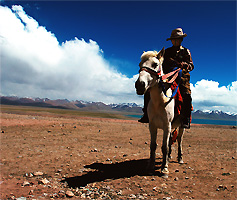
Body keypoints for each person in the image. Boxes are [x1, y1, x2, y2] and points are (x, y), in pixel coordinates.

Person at [138, 28, 194, 129]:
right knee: (148, 90)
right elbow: (160, 64)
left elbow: (191, 66)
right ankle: (147, 114)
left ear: (181, 39)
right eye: (174, 39)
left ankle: (185, 119)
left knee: (186, 95)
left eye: (178, 39)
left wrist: (183, 65)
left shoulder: (186, 51)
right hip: (167, 76)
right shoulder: (166, 52)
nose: (176, 41)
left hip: (182, 77)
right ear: (171, 40)